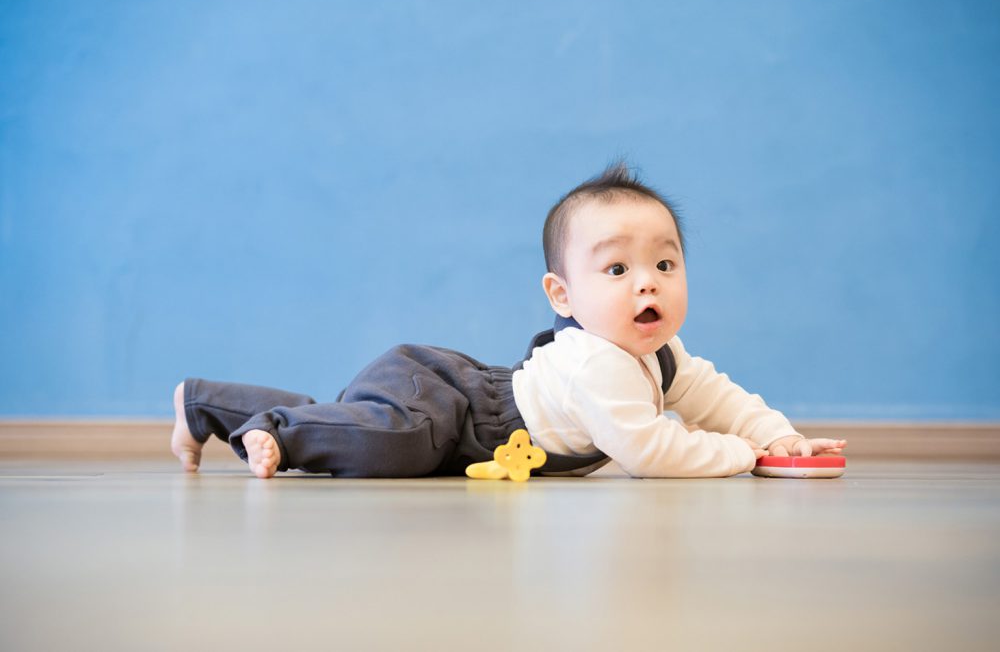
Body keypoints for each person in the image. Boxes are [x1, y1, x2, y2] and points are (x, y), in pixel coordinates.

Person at [171, 162, 845, 479]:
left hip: (468, 408)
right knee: (390, 446)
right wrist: (745, 456)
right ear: (561, 295)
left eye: (665, 265)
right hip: (450, 404)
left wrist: (782, 435)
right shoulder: (596, 362)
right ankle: (278, 436)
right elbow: (649, 451)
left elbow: (714, 396)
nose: (647, 282)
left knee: (352, 424)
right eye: (616, 270)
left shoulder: (662, 354)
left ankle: (205, 402)